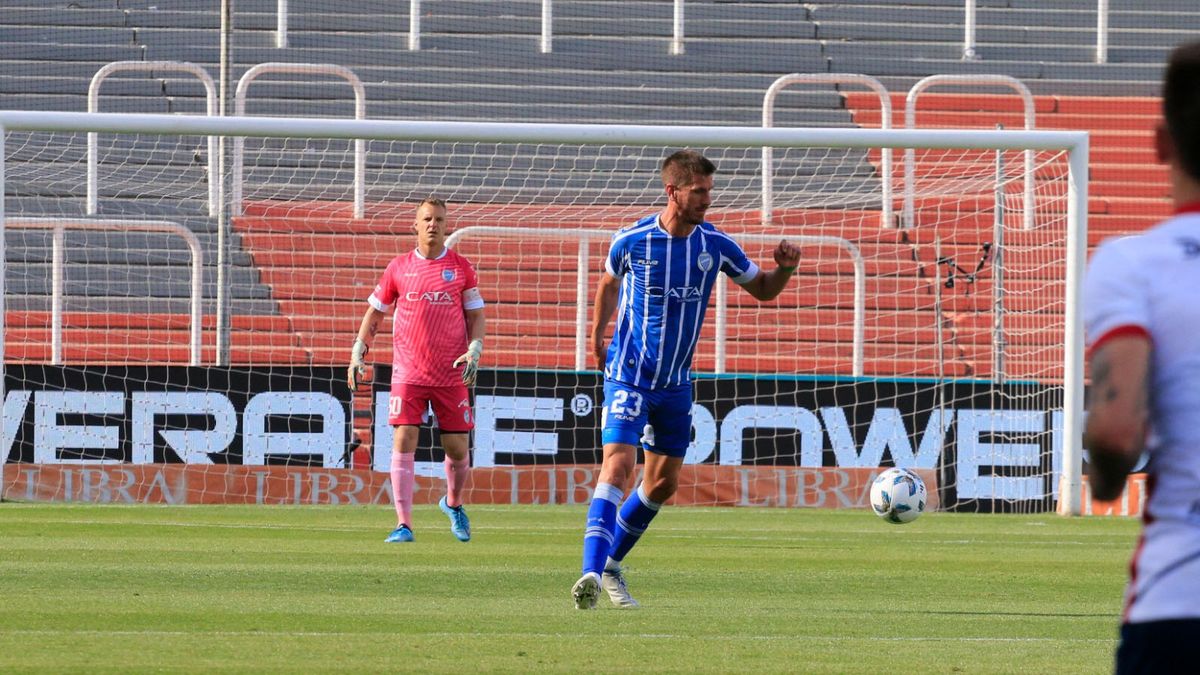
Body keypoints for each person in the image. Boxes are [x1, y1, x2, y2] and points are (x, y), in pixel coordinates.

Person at [572, 149, 802, 609]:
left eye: (709, 192)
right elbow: (608, 283)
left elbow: (762, 290)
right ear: (672, 190)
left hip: (676, 385)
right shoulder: (632, 239)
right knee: (618, 466)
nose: (706, 200)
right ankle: (590, 574)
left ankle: (612, 565)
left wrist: (786, 269)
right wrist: (597, 334)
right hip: (629, 376)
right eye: (699, 192)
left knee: (662, 485)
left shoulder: (714, 244)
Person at [1082, 40, 1200, 673]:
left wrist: (1102, 482)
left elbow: (1116, 429)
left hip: (1179, 600)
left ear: (1160, 144)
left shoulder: (1132, 264)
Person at [348, 197, 486, 544]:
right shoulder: (399, 267)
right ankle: (403, 523)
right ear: (415, 224)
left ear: (446, 225)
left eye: (439, 219)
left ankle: (452, 503)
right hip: (408, 371)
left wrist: (475, 347)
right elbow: (376, 313)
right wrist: (358, 350)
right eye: (427, 219)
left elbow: (476, 316)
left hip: (450, 373)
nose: (432, 225)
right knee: (404, 437)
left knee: (457, 449)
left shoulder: (461, 268)